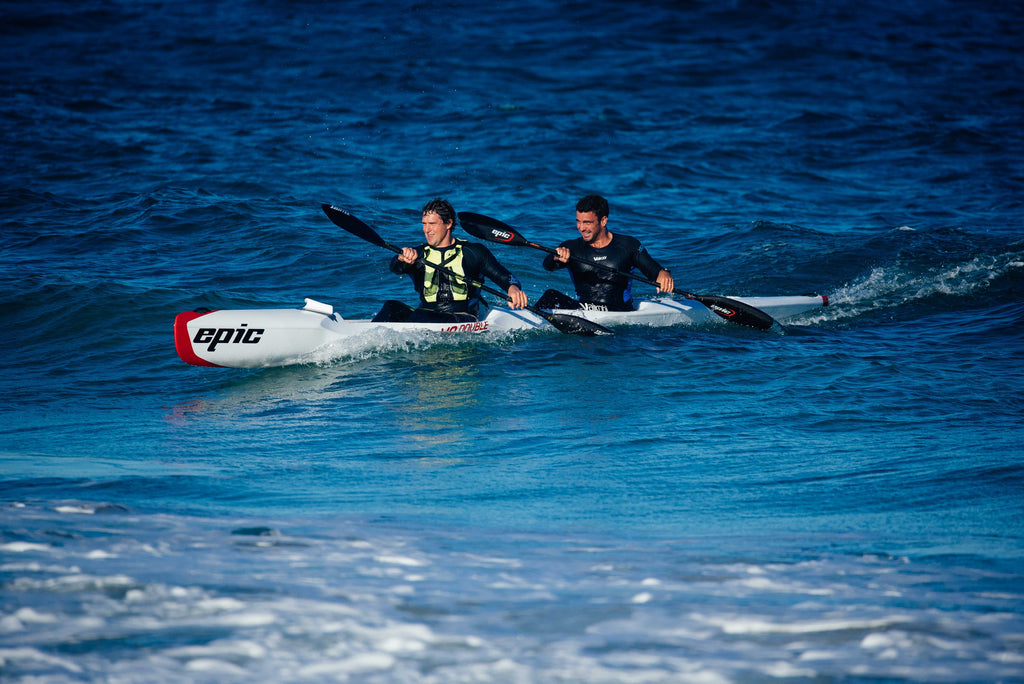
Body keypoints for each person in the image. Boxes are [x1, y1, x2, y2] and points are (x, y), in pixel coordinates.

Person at [373, 198, 529, 323]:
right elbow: (395, 267)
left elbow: (507, 278)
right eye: (424, 224)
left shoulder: (473, 252)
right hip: (425, 315)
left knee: (421, 316)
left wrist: (513, 289)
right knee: (391, 307)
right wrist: (401, 259)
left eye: (432, 224)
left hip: (462, 318)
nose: (427, 230)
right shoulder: (418, 253)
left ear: (448, 224)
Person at [538, 194, 674, 311]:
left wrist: (663, 273)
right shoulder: (571, 247)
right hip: (584, 310)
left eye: (587, 222)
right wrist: (555, 257)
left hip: (619, 311)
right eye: (578, 222)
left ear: (603, 221)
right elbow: (547, 266)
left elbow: (652, 269)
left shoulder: (628, 245)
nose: (581, 228)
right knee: (551, 295)